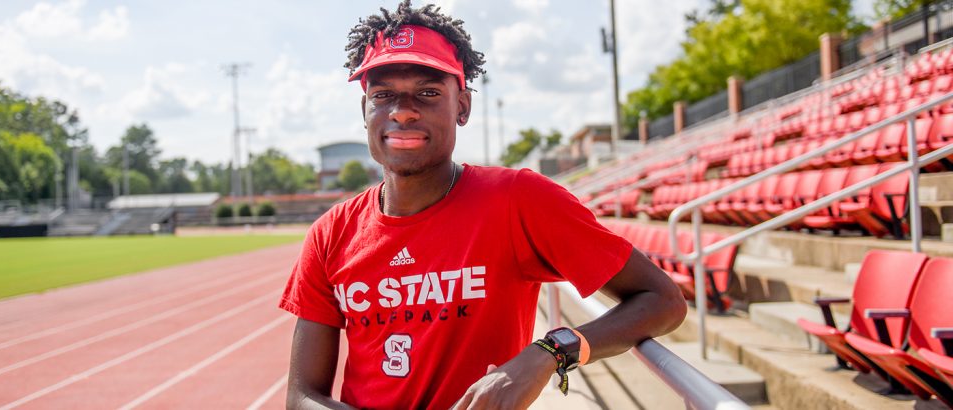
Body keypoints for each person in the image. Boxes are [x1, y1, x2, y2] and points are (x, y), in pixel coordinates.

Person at [279, 2, 687, 408]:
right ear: (364, 111)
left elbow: (662, 301)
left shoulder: (519, 200)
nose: (402, 112)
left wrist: (551, 352)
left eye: (428, 92)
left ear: (463, 107)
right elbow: (302, 396)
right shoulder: (330, 234)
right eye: (383, 95)